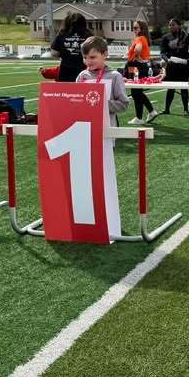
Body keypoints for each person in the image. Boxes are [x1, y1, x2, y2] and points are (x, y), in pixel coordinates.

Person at [76, 36, 130, 237]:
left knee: (104, 173)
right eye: (86, 58)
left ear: (105, 55)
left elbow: (123, 104)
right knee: (86, 173)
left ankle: (107, 211)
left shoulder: (115, 76)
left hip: (106, 132)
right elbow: (75, 101)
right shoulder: (82, 76)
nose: (89, 62)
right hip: (84, 132)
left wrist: (102, 103)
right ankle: (88, 211)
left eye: (93, 57)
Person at [160, 18, 189, 116]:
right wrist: (167, 60)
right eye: (170, 25)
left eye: (173, 24)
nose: (171, 26)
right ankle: (167, 109)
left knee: (184, 88)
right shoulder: (166, 38)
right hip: (171, 66)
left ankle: (186, 110)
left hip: (184, 66)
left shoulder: (186, 36)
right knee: (170, 88)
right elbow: (162, 52)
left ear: (179, 26)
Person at [125, 20, 159, 125]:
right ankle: (150, 112)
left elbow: (138, 49)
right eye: (133, 28)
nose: (134, 30)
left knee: (136, 92)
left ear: (142, 29)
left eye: (136, 28)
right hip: (138, 66)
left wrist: (136, 57)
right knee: (137, 93)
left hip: (136, 67)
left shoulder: (140, 38)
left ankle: (140, 117)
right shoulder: (143, 38)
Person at [50, 12, 90, 82]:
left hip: (65, 71)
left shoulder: (62, 33)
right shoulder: (88, 34)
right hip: (85, 70)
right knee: (83, 91)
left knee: (66, 92)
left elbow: (54, 53)